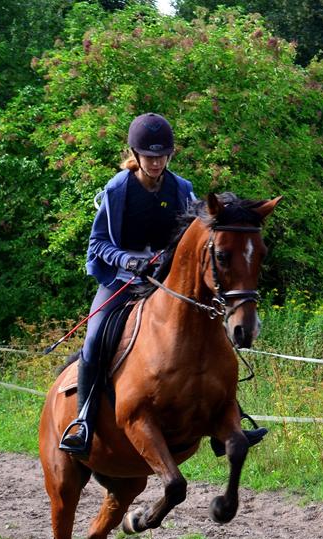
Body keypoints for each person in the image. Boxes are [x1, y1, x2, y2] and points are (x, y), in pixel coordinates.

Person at [59, 113, 267, 454]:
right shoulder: (118, 189)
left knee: (211, 331)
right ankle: (82, 420)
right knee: (96, 337)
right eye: (149, 156)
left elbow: (198, 236)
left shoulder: (182, 188)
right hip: (121, 279)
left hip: (164, 278)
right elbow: (97, 244)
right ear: (135, 154)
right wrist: (128, 260)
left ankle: (229, 420)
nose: (156, 162)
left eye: (161, 156)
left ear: (170, 155)